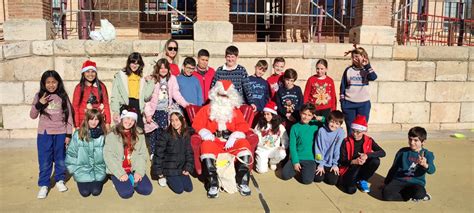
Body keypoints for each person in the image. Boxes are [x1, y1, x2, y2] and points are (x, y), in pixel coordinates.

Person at [192, 80, 253, 198]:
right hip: (214, 141)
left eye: (226, 96)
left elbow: (243, 125)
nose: (223, 98)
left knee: (244, 144)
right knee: (206, 146)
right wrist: (204, 132)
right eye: (220, 95)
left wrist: (235, 135)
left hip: (231, 141)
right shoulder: (207, 109)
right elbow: (196, 124)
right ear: (215, 94)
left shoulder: (235, 110)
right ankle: (213, 184)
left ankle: (242, 182)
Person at [30, 70, 73, 199]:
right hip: (44, 134)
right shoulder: (39, 96)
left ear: (58, 83)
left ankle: (60, 179)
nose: (51, 85)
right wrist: (39, 104)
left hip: (60, 133)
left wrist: (68, 135)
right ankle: (44, 184)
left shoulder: (63, 96)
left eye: (54, 82)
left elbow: (69, 116)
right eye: (48, 82)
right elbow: (32, 115)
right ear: (44, 83)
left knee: (60, 159)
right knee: (45, 160)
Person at [104, 106, 153, 199]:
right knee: (127, 193)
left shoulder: (139, 133)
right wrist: (120, 173)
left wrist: (139, 171)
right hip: (118, 169)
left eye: (132, 119)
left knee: (147, 190)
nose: (129, 122)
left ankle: (131, 179)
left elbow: (142, 154)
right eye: (127, 118)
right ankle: (116, 180)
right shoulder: (112, 134)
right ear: (122, 118)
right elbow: (108, 156)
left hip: (133, 167)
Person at [143, 58, 189, 154]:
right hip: (154, 111)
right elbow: (146, 99)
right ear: (157, 69)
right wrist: (148, 113)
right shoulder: (153, 80)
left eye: (165, 68)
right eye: (161, 68)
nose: (163, 70)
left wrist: (185, 104)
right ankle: (153, 154)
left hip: (165, 111)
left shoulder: (172, 79)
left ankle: (163, 154)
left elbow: (176, 94)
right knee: (153, 134)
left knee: (164, 134)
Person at [383, 126, 435, 202]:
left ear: (423, 142)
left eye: (415, 140)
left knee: (419, 193)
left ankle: (418, 195)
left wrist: (425, 165)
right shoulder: (402, 152)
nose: (412, 142)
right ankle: (408, 196)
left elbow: (432, 170)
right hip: (399, 180)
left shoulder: (428, 154)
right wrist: (386, 182)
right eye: (410, 139)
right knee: (386, 195)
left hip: (416, 183)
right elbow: (394, 168)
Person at [338, 114, 386, 194]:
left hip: (362, 168)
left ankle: (362, 180)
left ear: (364, 131)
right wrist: (354, 161)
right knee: (351, 191)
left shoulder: (369, 140)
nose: (355, 134)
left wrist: (367, 155)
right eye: (353, 130)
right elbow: (342, 161)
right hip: (350, 168)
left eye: (358, 132)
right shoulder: (346, 141)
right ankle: (347, 180)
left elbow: (382, 153)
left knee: (375, 161)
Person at [151, 110, 194, 194]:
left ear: (182, 120)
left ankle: (178, 177)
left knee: (189, 188)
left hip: (181, 167)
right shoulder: (165, 135)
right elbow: (158, 154)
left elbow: (189, 152)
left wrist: (188, 168)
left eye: (177, 120)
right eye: (172, 120)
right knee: (179, 190)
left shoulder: (186, 133)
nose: (174, 123)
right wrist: (159, 172)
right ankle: (166, 177)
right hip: (169, 167)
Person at [65, 109, 106, 197]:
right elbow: (71, 154)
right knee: (85, 192)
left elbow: (107, 154)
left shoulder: (103, 135)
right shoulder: (78, 134)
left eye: (96, 119)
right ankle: (83, 180)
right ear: (87, 120)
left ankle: (96, 181)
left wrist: (105, 169)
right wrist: (74, 170)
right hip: (81, 171)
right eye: (91, 119)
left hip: (98, 170)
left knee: (96, 191)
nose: (94, 122)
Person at [280, 103, 324, 184]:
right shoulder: (295, 127)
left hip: (310, 158)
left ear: (312, 116)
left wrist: (322, 118)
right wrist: (295, 161)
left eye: (309, 115)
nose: (306, 117)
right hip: (298, 156)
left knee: (307, 181)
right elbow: (292, 146)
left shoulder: (315, 125)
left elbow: (328, 124)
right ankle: (299, 168)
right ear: (300, 113)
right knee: (284, 175)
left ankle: (304, 171)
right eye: (304, 114)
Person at [110, 52, 155, 129]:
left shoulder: (142, 78)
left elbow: (146, 97)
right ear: (129, 63)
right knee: (125, 130)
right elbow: (115, 95)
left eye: (137, 63)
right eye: (133, 63)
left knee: (139, 130)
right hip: (125, 105)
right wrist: (116, 111)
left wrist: (151, 82)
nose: (135, 65)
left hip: (138, 105)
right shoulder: (120, 76)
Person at [340, 46, 377, 135]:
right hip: (349, 104)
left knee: (361, 129)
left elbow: (373, 77)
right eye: (353, 57)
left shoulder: (367, 69)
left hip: (363, 104)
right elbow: (343, 86)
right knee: (350, 130)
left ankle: (360, 148)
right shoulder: (348, 70)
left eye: (357, 56)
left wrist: (367, 66)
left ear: (363, 57)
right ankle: (350, 148)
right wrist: (342, 102)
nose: (355, 59)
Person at [72, 60, 111, 131]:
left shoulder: (101, 86)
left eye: (93, 71)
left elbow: (106, 104)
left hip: (98, 121)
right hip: (83, 122)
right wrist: (76, 125)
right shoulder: (79, 87)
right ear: (83, 73)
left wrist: (107, 122)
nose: (90, 74)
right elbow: (75, 106)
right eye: (87, 71)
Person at [254, 102, 288, 173]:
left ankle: (273, 162)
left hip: (274, 149)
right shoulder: (260, 124)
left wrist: (284, 146)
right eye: (264, 114)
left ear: (273, 115)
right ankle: (263, 161)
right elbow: (255, 134)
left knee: (282, 153)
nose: (266, 116)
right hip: (262, 150)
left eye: (268, 114)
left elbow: (285, 138)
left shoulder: (279, 126)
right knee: (261, 171)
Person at [314, 110, 345, 185]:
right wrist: (320, 164)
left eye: (337, 123)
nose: (334, 125)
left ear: (340, 125)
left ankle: (327, 173)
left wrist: (335, 164)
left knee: (332, 181)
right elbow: (318, 148)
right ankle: (322, 171)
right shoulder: (321, 131)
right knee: (317, 178)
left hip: (331, 162)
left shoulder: (340, 132)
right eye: (332, 122)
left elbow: (337, 149)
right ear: (328, 121)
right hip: (320, 160)